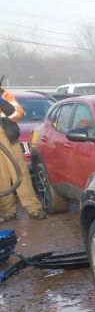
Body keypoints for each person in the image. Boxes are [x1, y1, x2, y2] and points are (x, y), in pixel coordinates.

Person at [0, 83, 46, 221]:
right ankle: (8, 211)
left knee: (19, 173)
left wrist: (2, 102)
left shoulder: (5, 95)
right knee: (1, 178)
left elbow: (16, 114)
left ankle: (33, 208)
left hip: (7, 137)